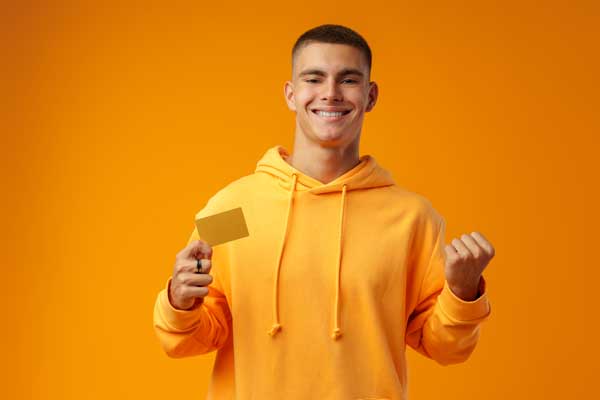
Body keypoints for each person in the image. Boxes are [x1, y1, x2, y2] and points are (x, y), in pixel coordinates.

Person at [153, 24, 495, 400]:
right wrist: (179, 302)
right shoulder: (232, 210)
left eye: (348, 80)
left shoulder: (412, 219)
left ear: (370, 95)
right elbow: (186, 340)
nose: (330, 94)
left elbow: (446, 348)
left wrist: (463, 293)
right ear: (291, 94)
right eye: (314, 79)